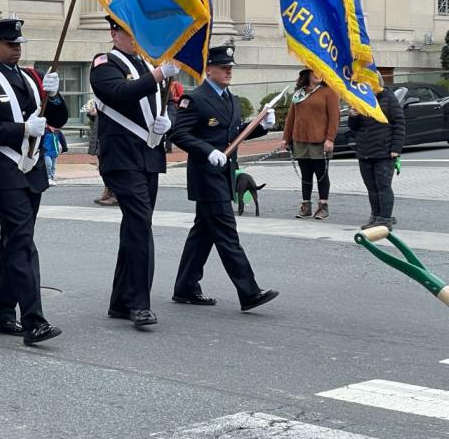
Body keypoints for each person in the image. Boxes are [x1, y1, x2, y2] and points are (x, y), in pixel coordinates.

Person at [0, 18, 66, 346]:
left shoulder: (28, 77)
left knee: (12, 242)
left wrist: (53, 97)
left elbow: (58, 119)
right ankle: (34, 320)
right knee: (23, 243)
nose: (16, 49)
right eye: (10, 45)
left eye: (18, 45)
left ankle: (0, 313)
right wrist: (22, 129)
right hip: (2, 171)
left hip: (30, 170)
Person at [170, 45, 280, 312]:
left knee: (203, 234)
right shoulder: (194, 98)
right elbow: (179, 134)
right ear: (209, 69)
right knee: (227, 233)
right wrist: (208, 151)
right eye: (223, 68)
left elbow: (235, 134)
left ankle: (185, 286)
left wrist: (261, 126)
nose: (229, 72)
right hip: (206, 176)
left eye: (231, 68)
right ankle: (249, 292)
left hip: (225, 174)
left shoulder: (231, 99)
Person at [90, 17, 181, 328]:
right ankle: (139, 304)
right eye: (129, 32)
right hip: (122, 157)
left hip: (149, 155)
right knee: (141, 225)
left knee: (135, 226)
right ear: (114, 33)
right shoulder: (104, 63)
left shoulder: (146, 64)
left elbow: (165, 101)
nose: (135, 38)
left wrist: (167, 119)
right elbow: (118, 93)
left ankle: (120, 301)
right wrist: (159, 73)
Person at [281, 68, 340, 220]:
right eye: (315, 72)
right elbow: (291, 117)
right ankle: (306, 206)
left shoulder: (329, 92)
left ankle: (323, 206)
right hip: (300, 140)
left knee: (321, 174)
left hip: (320, 141)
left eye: (321, 72)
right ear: (307, 74)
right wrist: (286, 138)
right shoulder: (299, 93)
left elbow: (334, 117)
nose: (319, 75)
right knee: (305, 174)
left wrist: (330, 139)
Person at [349, 84, 405, 230]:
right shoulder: (360, 99)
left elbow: (399, 123)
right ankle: (376, 216)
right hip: (365, 151)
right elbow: (354, 127)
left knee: (383, 186)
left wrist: (396, 148)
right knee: (371, 188)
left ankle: (385, 218)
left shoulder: (388, 98)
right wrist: (353, 116)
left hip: (384, 152)